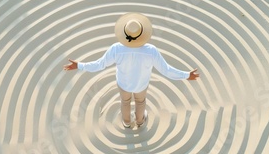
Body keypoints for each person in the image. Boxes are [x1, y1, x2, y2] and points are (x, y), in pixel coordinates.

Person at [63, 12, 199, 129]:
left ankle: (127, 122)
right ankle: (140, 121)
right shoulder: (151, 51)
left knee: (125, 102)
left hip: (123, 84)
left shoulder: (116, 48)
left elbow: (100, 64)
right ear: (142, 34)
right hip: (141, 84)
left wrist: (79, 65)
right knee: (140, 102)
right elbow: (166, 70)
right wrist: (187, 75)